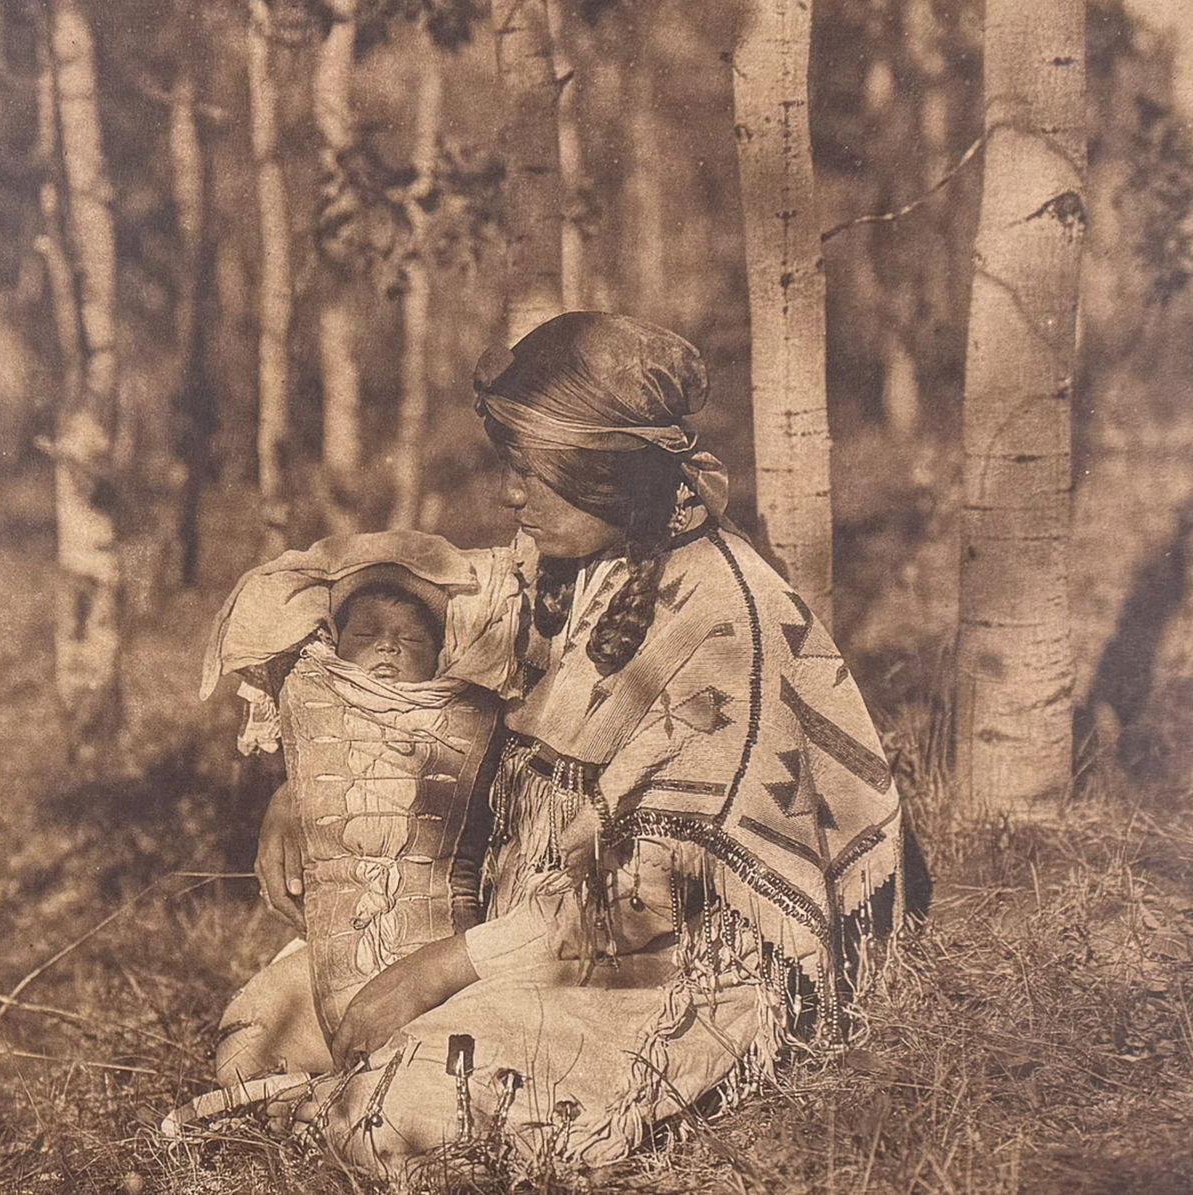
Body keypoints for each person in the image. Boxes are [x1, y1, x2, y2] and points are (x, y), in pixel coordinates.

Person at [214, 313, 903, 1179]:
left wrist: (439, 972)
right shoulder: (563, 570)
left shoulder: (727, 622)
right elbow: (357, 587)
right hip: (522, 931)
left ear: (605, 479)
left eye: (532, 474)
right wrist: (297, 787)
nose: (512, 496)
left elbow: (650, 900)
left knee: (390, 1112)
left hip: (667, 971)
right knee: (260, 1031)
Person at [185, 533, 521, 1100]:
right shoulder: (318, 695)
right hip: (339, 947)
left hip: (450, 959)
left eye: (410, 639)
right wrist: (291, 791)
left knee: (427, 1077)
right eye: (365, 636)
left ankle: (332, 1104)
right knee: (245, 1050)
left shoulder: (469, 707)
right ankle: (319, 1096)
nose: (387, 650)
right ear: (337, 648)